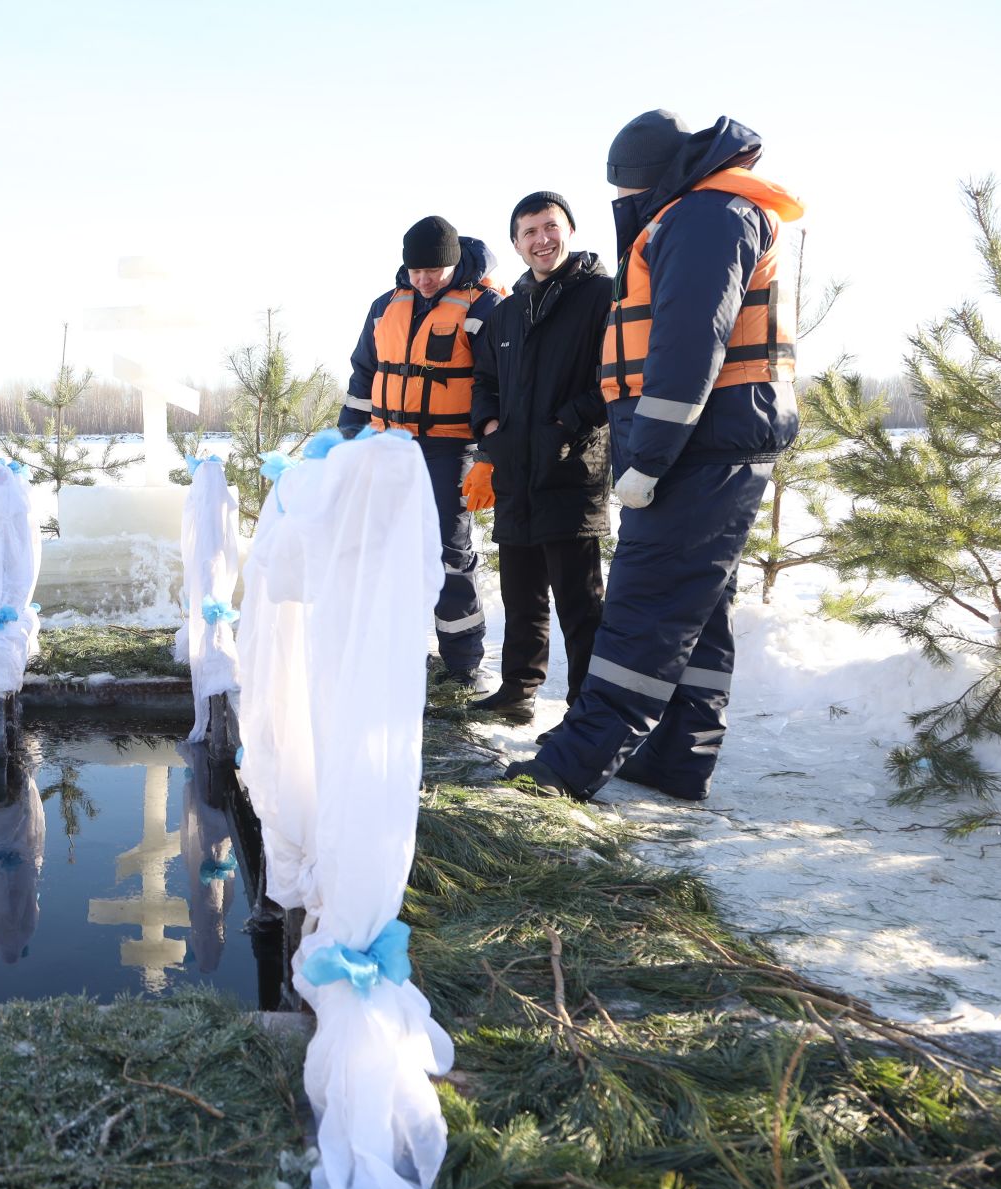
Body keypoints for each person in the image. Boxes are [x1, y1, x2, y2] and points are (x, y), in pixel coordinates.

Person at [506, 111, 802, 800]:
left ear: (651, 181)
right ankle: (676, 757)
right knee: (697, 612)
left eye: (623, 192)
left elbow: (689, 347)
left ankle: (568, 767)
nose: (619, 206)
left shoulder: (704, 219)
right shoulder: (705, 212)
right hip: (710, 444)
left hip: (695, 451)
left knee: (644, 608)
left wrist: (650, 458)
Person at [466, 192, 612, 725]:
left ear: (570, 231)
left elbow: (613, 378)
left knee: (580, 604)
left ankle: (585, 712)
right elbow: (484, 381)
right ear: (516, 244)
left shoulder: (600, 296)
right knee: (521, 596)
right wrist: (489, 429)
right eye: (529, 232)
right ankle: (517, 691)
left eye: (549, 227)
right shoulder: (506, 313)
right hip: (516, 471)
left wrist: (564, 425)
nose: (541, 240)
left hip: (570, 469)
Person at [340, 215, 503, 686]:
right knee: (385, 549)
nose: (424, 279)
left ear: (454, 264)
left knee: (449, 554)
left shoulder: (485, 307)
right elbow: (363, 375)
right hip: (388, 445)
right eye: (415, 271)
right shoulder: (384, 306)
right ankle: (396, 653)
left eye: (433, 271)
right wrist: (348, 438)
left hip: (450, 448)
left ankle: (462, 664)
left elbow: (496, 385)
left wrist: (490, 454)